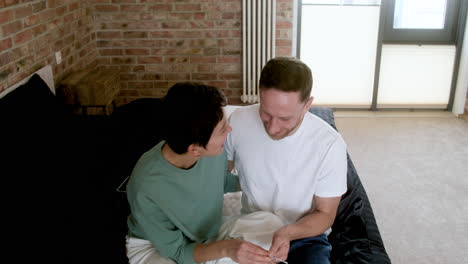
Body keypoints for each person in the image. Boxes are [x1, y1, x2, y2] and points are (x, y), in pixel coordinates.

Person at [125, 82, 274, 264]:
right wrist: (227, 248)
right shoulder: (146, 186)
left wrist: (260, 180)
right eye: (222, 129)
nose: (229, 129)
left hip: (206, 229)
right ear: (195, 149)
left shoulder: (212, 150)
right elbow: (178, 251)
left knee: (271, 225)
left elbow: (222, 181)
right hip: (158, 246)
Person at [225, 57, 348, 264]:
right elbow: (216, 177)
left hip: (304, 235)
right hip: (251, 227)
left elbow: (325, 214)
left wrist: (288, 233)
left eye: (284, 118)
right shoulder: (237, 121)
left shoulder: (329, 144)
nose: (272, 128)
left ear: (307, 105)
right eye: (266, 113)